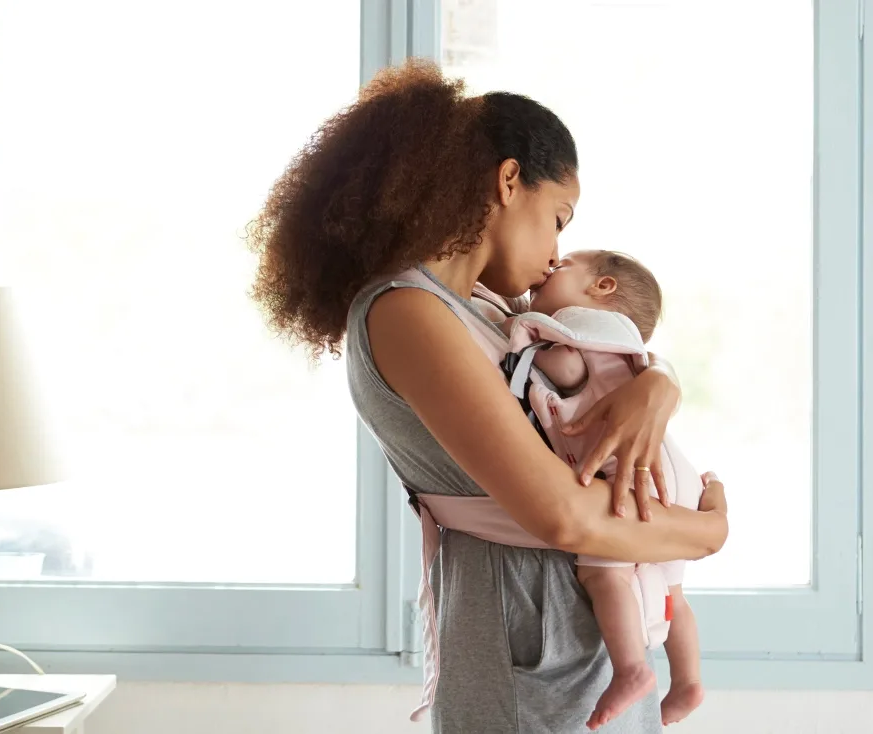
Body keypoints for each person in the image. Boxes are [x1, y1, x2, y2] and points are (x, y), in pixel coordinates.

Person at [247, 59, 729, 733]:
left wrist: (658, 381)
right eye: (558, 218)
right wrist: (706, 533)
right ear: (508, 181)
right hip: (531, 656)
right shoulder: (407, 312)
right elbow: (562, 515)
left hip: (585, 647)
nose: (557, 252)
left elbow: (595, 352)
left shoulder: (488, 310)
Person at [505, 250, 707, 728]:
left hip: (630, 472)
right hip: (673, 471)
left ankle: (632, 668)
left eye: (564, 265)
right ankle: (688, 681)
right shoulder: (624, 343)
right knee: (673, 589)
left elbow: (568, 369)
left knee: (604, 576)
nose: (551, 263)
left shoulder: (576, 329)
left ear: (602, 287)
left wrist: (528, 353)